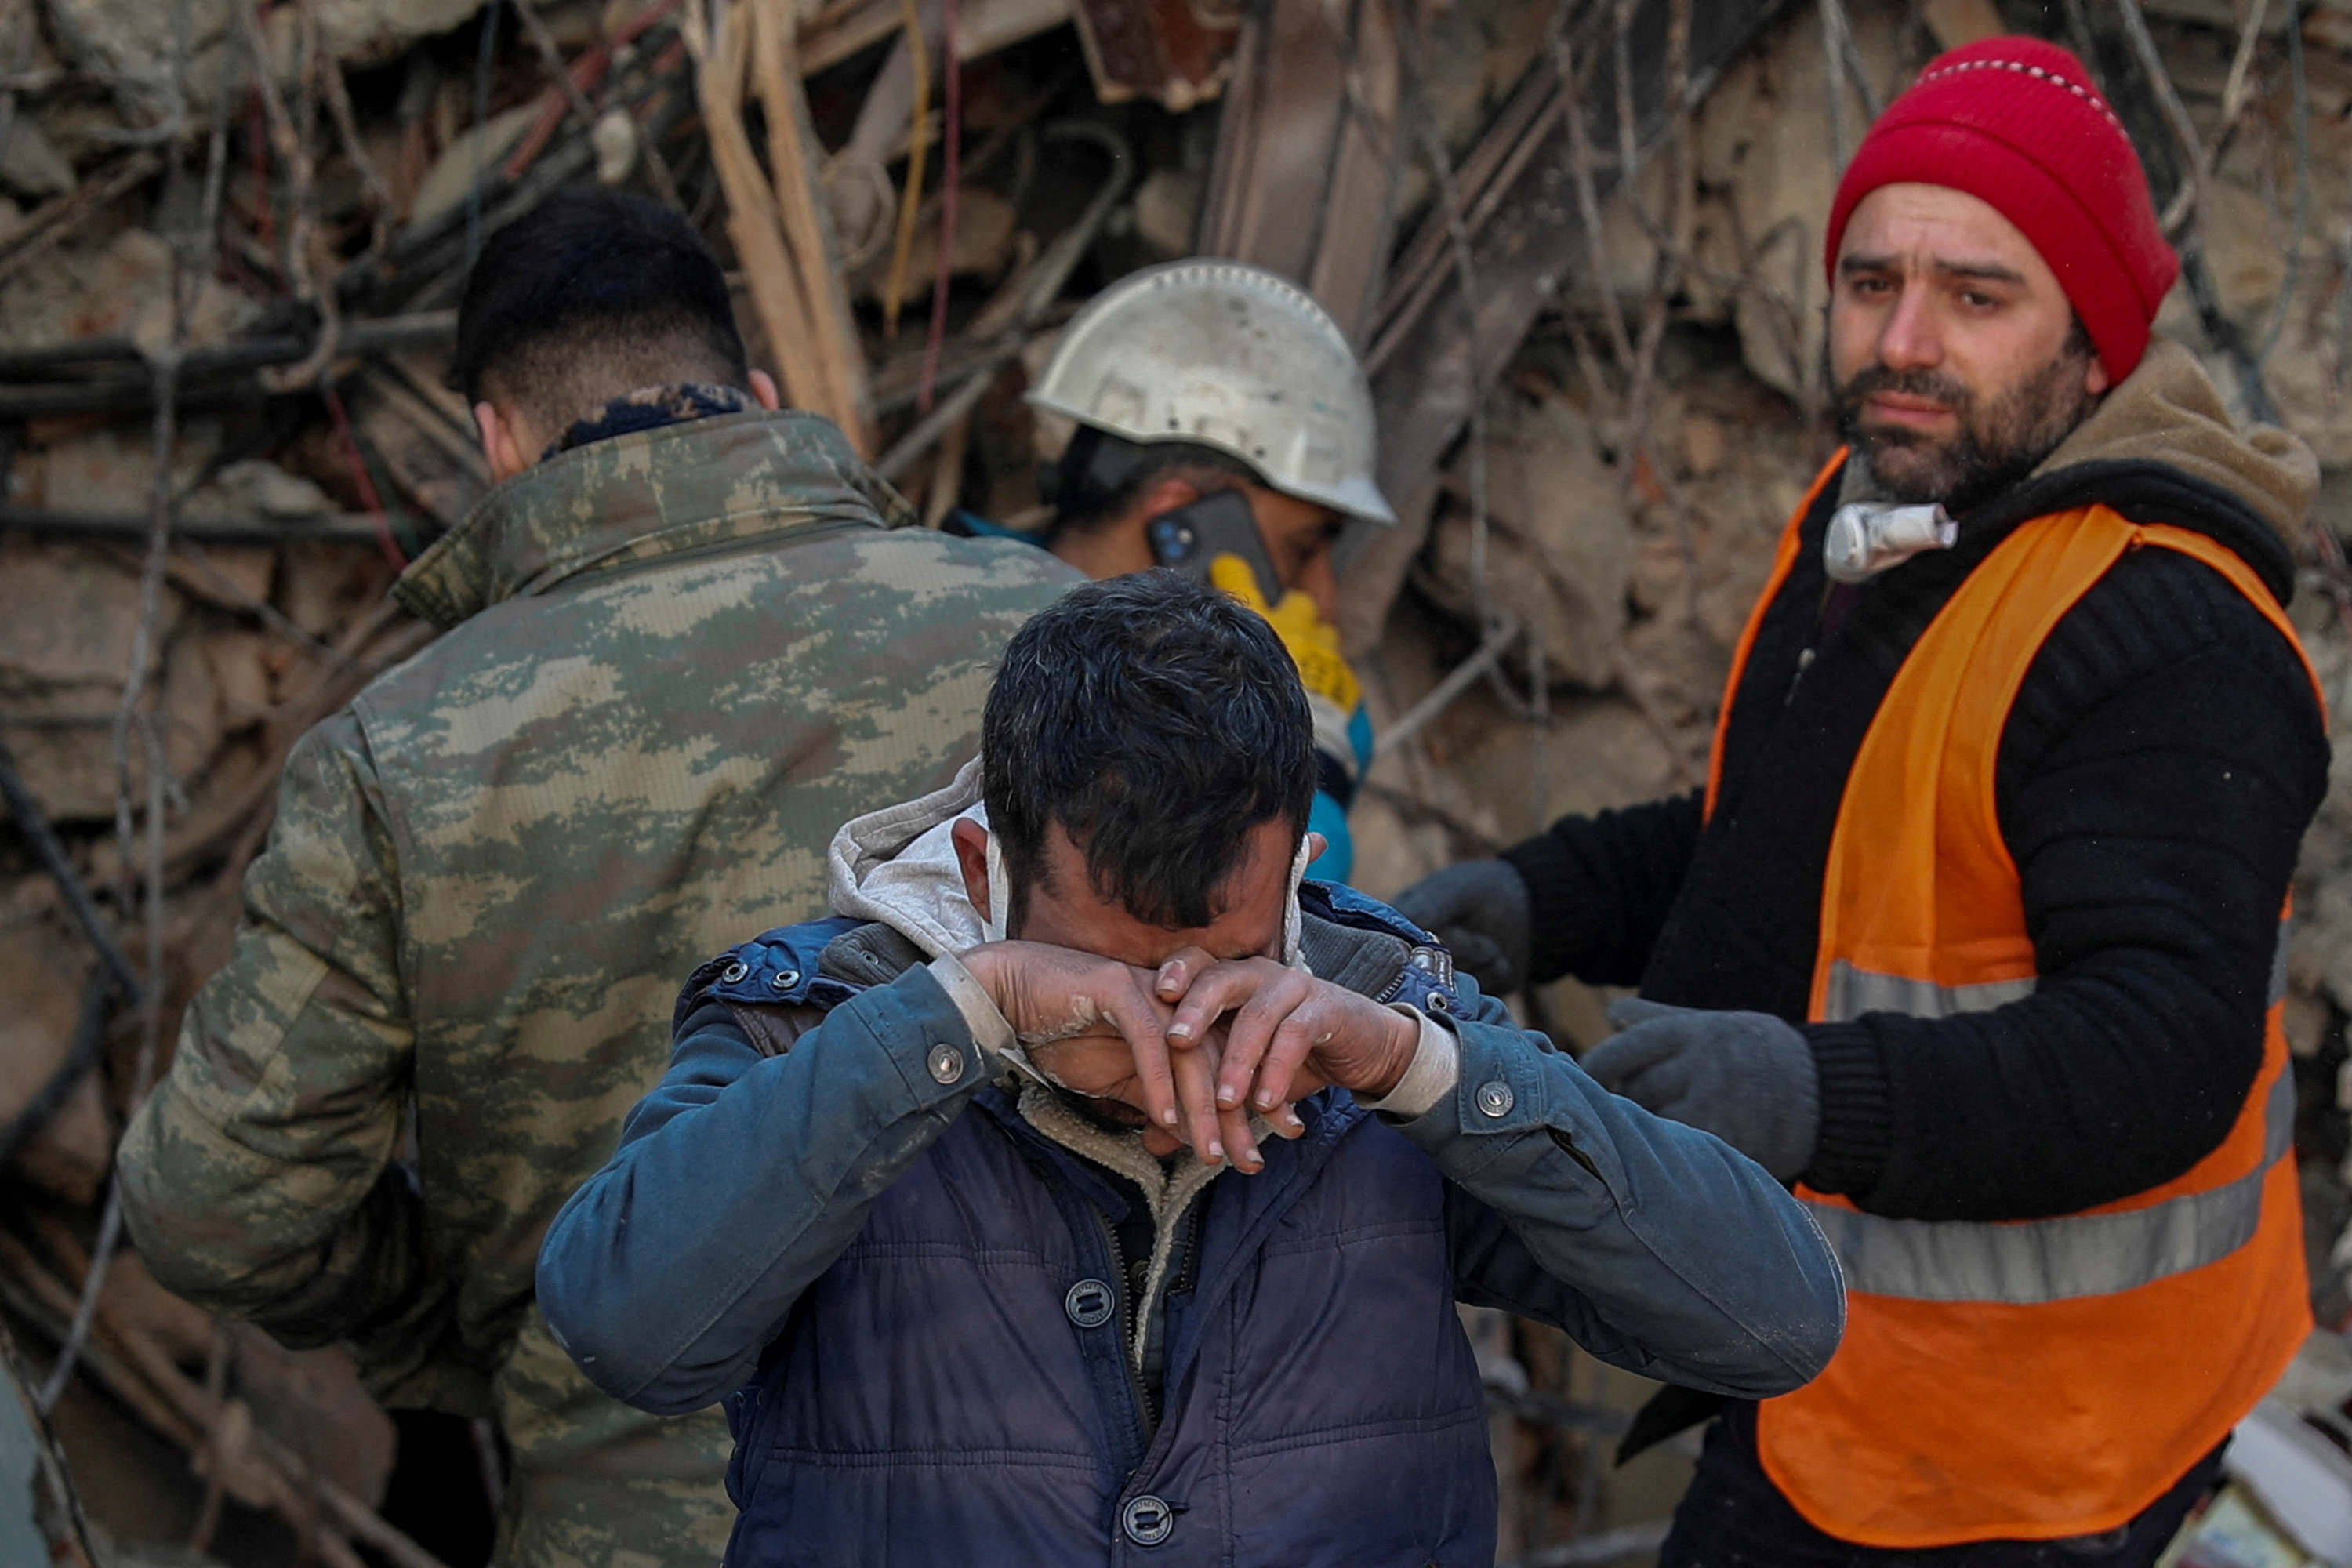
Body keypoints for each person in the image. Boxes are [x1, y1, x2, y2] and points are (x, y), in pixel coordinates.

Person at [1396, 36, 2328, 1566]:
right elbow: (1798, 843)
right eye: (1869, 280)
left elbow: (2166, 1052)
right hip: (1832, 1356)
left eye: (1977, 295)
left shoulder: (2166, 632)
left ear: (2095, 340)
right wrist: (1536, 896)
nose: (1903, 340)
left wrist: (1806, 1094)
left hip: (2024, 1446)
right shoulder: (1891, 520)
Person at [116, 187, 1076, 1566]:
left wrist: (495, 1321)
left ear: (498, 445)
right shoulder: (1054, 635)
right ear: (754, 394)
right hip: (1066, 1511)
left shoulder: (404, 752)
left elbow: (213, 1206)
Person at [535, 572, 1847, 1567]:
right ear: (989, 871)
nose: (1170, 1034)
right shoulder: (827, 1021)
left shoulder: (1384, 1014)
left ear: (1293, 880)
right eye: (1104, 978)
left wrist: (1427, 1078)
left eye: (1215, 970)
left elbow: (1771, 1322)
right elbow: (629, 1327)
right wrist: (950, 1026)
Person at [959, 259, 1389, 880]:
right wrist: (1308, 762)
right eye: (1301, 549)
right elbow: (1257, 919)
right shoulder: (987, 670)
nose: (1323, 600)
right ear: (1180, 524)